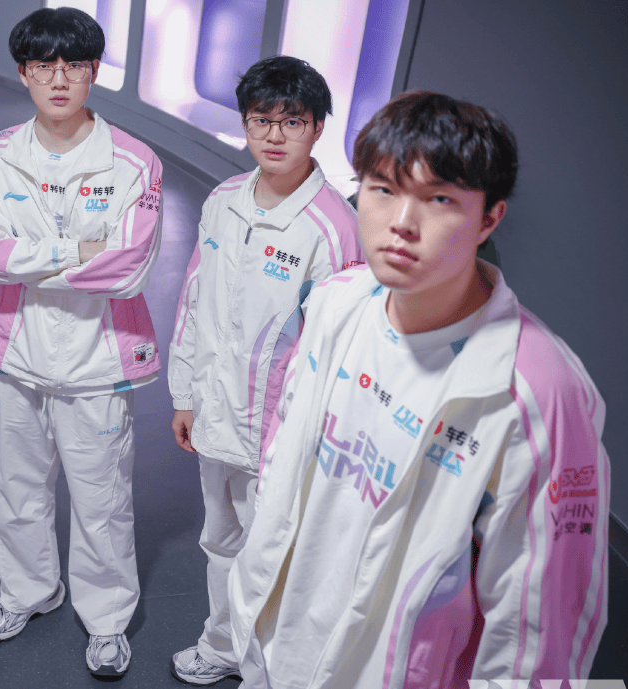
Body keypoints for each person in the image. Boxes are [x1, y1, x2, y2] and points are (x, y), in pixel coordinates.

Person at [228, 91, 608, 688]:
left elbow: (536, 628)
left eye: (439, 199)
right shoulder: (337, 303)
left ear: (489, 219)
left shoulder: (538, 391)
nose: (402, 223)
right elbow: (285, 449)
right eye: (382, 189)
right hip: (282, 643)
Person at [0, 6, 163, 678]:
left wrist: (31, 256)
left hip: (97, 359)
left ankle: (106, 621)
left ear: (93, 71)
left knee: (102, 501)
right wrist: (78, 250)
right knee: (18, 489)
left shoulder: (133, 162)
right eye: (43, 65)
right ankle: (28, 591)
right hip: (17, 355)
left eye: (74, 64)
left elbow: (127, 269)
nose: (59, 78)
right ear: (23, 73)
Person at [166, 55, 363, 685]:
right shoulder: (223, 201)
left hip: (280, 428)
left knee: (274, 557)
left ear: (318, 128)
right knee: (220, 540)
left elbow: (338, 349)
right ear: (244, 124)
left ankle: (267, 672)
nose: (274, 136)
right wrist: (184, 394)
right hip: (213, 411)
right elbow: (194, 301)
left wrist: (310, 433)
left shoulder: (332, 228)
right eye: (260, 120)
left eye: (292, 122)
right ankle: (223, 647)